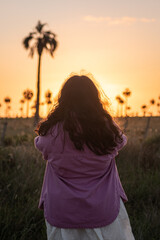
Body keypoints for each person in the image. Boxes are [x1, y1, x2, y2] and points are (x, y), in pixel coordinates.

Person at [34, 74, 135, 240]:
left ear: (64, 99)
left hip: (62, 210)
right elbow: (122, 140)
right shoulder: (105, 129)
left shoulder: (53, 132)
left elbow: (39, 142)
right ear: (94, 98)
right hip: (103, 210)